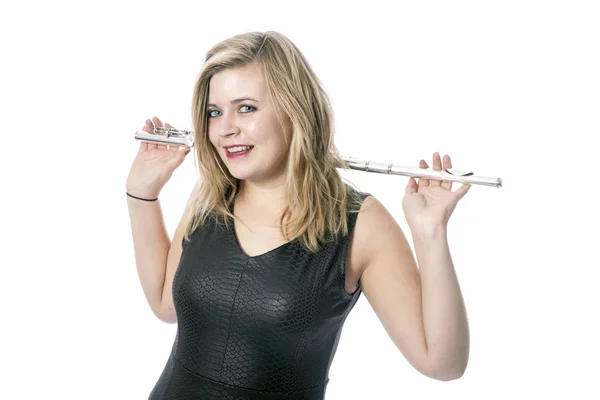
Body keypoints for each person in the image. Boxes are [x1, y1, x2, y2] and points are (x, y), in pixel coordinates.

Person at [126, 31, 472, 400]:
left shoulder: (360, 224)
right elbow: (167, 305)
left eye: (246, 108)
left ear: (296, 109)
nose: (225, 129)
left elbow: (443, 364)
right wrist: (142, 195)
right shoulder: (210, 197)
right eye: (215, 112)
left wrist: (430, 233)